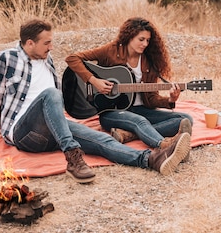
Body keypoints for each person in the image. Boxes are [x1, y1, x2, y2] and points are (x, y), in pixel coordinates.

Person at [0, 18, 191, 184]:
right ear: (29, 43)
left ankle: (152, 159)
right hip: (23, 133)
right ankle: (73, 157)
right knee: (51, 94)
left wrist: (169, 100)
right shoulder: (6, 59)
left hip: (54, 129)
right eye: (47, 43)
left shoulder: (47, 62)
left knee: (103, 142)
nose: (51, 47)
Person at [65, 17, 194, 152]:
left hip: (141, 109)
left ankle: (128, 135)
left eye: (148, 40)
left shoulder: (148, 62)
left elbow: (151, 99)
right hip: (112, 112)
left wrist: (170, 99)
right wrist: (94, 81)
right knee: (139, 122)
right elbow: (72, 58)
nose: (145, 44)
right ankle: (163, 145)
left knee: (185, 119)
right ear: (130, 36)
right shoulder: (111, 51)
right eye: (141, 39)